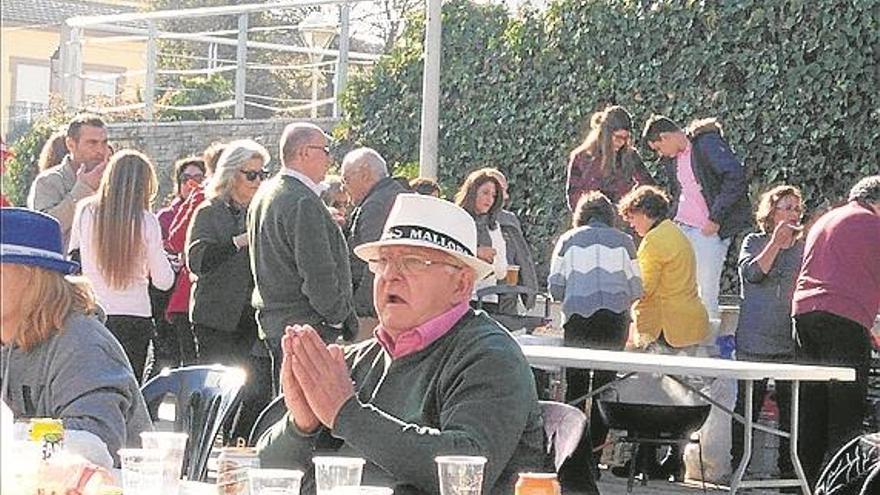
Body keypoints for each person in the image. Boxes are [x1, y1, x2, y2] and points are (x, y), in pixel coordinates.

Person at [257, 193, 550, 494]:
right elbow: (266, 475)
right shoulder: (358, 359)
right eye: (382, 261)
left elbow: (467, 469)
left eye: (412, 262)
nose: (390, 276)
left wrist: (346, 414)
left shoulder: (490, 357)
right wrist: (300, 427)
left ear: (461, 285)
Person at [0, 208, 152, 468]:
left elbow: (93, 443)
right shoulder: (10, 337)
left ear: (33, 276)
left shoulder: (83, 345)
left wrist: (15, 437)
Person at [792, 175, 880, 487]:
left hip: (804, 314)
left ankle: (802, 483)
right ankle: (844, 486)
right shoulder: (872, 223)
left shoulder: (826, 219)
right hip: (845, 318)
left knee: (812, 406)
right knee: (846, 410)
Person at [617, 185, 709, 480]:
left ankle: (643, 461)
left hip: (663, 326)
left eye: (632, 217)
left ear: (645, 212)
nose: (631, 224)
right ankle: (675, 460)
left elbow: (644, 287)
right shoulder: (677, 234)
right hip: (688, 322)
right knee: (680, 397)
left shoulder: (654, 241)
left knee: (649, 396)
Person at [548, 191, 643, 478]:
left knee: (575, 389)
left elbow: (556, 287)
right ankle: (594, 459)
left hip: (578, 319)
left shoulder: (568, 239)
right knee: (604, 388)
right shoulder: (625, 242)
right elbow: (637, 287)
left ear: (581, 215)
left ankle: (569, 457)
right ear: (610, 215)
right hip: (615, 322)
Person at [248, 123, 357, 363]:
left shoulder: (267, 193)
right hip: (307, 329)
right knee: (305, 401)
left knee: (288, 399)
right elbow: (317, 272)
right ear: (305, 152)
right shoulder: (301, 200)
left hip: (280, 326)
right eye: (325, 151)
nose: (330, 159)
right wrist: (337, 317)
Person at [187, 139, 271, 442]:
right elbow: (197, 261)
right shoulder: (209, 212)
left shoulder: (262, 211)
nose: (258, 181)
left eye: (263, 174)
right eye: (251, 174)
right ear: (232, 174)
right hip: (217, 319)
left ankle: (238, 445)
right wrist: (239, 241)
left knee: (258, 389)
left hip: (253, 318)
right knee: (217, 392)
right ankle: (204, 447)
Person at [69, 150, 175, 383]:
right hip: (135, 316)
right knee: (128, 385)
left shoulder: (86, 210)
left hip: (94, 312)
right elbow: (163, 280)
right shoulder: (147, 221)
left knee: (92, 382)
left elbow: (75, 258)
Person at [641, 115, 751, 326]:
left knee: (705, 291)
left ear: (665, 137)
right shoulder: (673, 159)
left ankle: (706, 349)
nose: (659, 154)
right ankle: (681, 341)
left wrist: (715, 218)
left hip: (707, 231)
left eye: (657, 148)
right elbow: (681, 191)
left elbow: (735, 177)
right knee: (677, 287)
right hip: (683, 227)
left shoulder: (706, 144)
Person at [730, 185, 805, 477]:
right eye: (787, 207)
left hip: (788, 341)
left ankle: (789, 474)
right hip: (754, 339)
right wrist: (775, 242)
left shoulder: (803, 248)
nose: (793, 213)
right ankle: (740, 467)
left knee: (792, 412)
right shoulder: (754, 240)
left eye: (797, 208)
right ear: (771, 212)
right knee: (747, 406)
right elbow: (752, 273)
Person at [164, 143, 226, 366]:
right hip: (196, 298)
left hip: (235, 303)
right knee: (197, 370)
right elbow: (176, 239)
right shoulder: (201, 197)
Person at [342, 147, 409, 340]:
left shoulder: (377, 205)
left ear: (364, 174)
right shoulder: (395, 195)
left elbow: (376, 263)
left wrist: (358, 311)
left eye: (345, 179)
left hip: (374, 312)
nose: (343, 187)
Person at [27, 114, 111, 250]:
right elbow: (45, 230)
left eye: (104, 142)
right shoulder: (49, 181)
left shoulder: (112, 181)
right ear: (71, 144)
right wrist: (84, 189)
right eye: (92, 143)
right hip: (64, 268)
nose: (100, 150)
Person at [566, 105, 654, 210]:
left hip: (624, 219)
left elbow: (649, 186)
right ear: (605, 133)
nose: (621, 142)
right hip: (592, 219)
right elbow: (573, 196)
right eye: (618, 137)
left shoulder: (631, 156)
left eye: (626, 138)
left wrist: (631, 203)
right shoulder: (582, 158)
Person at [484, 167, 540, 311]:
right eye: (502, 191)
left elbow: (522, 258)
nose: (506, 196)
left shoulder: (509, 221)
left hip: (506, 296)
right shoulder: (466, 220)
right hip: (480, 295)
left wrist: (529, 292)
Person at [454, 170, 508, 308]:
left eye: (494, 195)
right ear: (472, 192)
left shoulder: (493, 226)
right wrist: (475, 253)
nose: (489, 199)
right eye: (485, 193)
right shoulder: (457, 219)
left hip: (488, 298)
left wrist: (491, 261)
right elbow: (448, 255)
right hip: (457, 297)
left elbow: (502, 271)